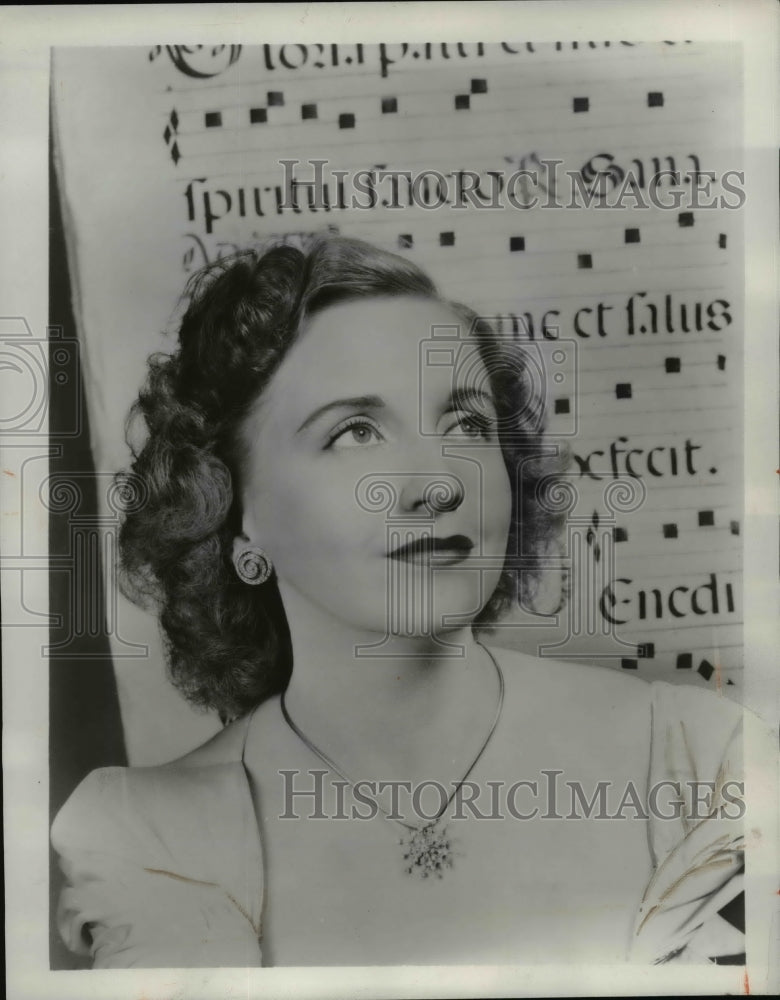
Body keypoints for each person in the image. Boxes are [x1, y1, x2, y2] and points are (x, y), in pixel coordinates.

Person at [51, 234, 749, 969]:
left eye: (467, 425)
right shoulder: (151, 842)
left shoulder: (696, 768)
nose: (438, 482)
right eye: (356, 431)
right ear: (231, 509)